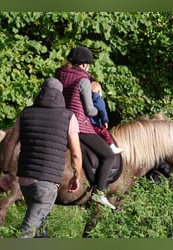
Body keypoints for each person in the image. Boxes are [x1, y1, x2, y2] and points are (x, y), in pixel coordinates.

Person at [5, 78, 83, 238]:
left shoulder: (25, 113)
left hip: (25, 181)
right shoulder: (68, 116)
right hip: (46, 183)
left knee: (41, 229)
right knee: (26, 233)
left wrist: (6, 171)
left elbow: (10, 144)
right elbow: (75, 153)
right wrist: (77, 176)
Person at [55, 45, 116, 210]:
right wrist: (99, 104)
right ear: (84, 65)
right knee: (109, 155)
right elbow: (89, 110)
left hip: (58, 123)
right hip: (79, 126)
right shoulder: (83, 80)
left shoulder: (59, 74)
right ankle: (99, 193)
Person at [90, 81, 124, 154]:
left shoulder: (89, 99)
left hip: (89, 124)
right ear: (99, 91)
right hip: (95, 124)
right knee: (105, 133)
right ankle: (112, 146)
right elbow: (102, 110)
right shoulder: (98, 99)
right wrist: (105, 121)